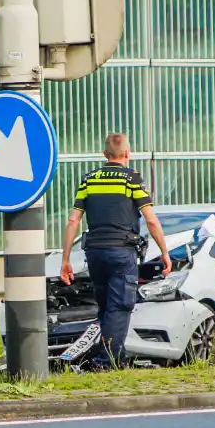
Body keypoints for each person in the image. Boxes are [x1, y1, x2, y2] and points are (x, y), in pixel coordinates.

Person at [59, 133, 171, 370]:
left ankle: (114, 359)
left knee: (106, 307)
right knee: (119, 307)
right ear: (128, 154)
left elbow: (73, 221)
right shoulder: (132, 179)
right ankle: (105, 362)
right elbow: (151, 220)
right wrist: (164, 251)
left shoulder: (89, 179)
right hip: (121, 251)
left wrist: (65, 259)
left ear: (104, 155)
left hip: (95, 252)